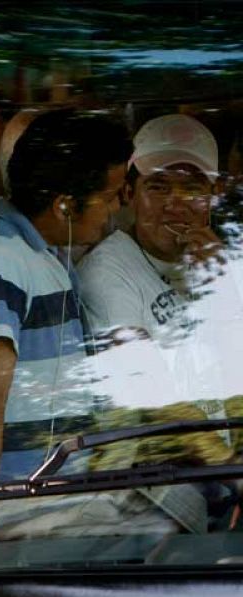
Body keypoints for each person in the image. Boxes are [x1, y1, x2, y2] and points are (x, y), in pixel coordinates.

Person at [0, 109, 131, 483]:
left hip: (58, 490)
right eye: (108, 197)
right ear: (64, 205)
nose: (115, 210)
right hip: (22, 502)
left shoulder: (40, 252)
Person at [78, 114, 242, 422]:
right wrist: (224, 460)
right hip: (164, 463)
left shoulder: (226, 264)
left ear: (215, 193)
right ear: (129, 194)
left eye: (192, 187)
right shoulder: (106, 271)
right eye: (158, 187)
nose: (176, 203)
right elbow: (150, 394)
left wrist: (224, 294)